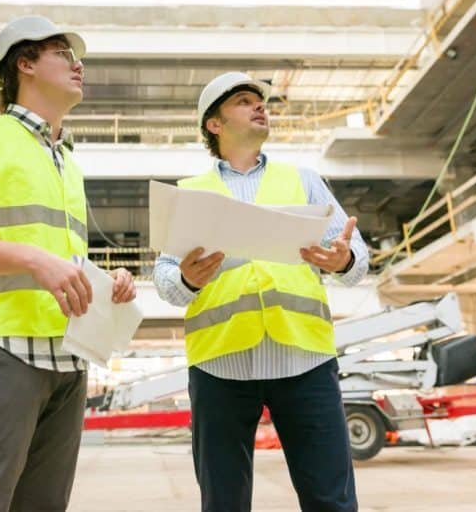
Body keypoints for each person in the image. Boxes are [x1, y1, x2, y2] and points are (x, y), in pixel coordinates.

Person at [0, 15, 136, 511]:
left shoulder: (68, 163)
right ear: (25, 63)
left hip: (67, 356)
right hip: (0, 352)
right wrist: (36, 261)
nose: (78, 64)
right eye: (63, 53)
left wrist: (109, 284)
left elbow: (63, 261)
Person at [153, 72, 368, 512]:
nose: (260, 106)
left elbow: (357, 264)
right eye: (245, 101)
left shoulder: (304, 180)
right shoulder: (190, 194)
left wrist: (342, 260)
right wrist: (188, 279)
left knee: (331, 500)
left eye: (261, 101)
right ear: (214, 124)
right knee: (224, 503)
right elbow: (165, 282)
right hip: (220, 367)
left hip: (305, 360)